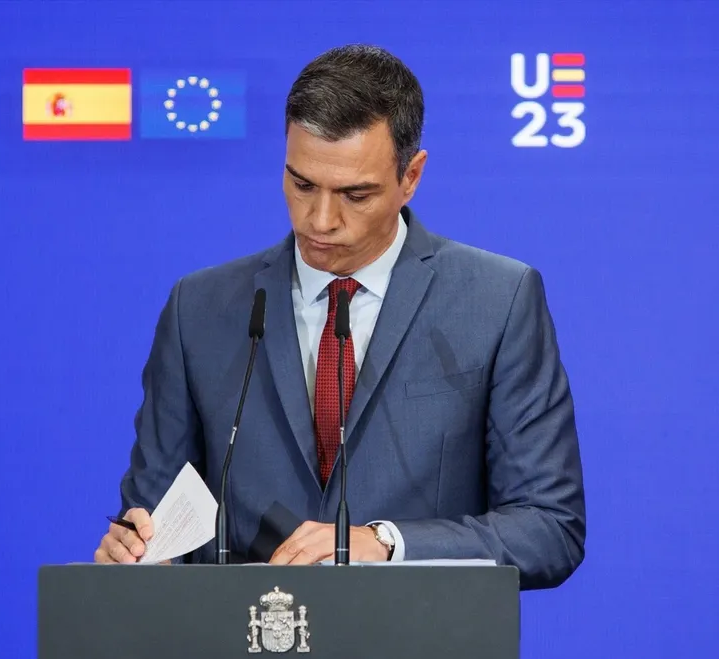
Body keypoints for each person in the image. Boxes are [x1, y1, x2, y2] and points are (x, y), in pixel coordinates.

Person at [94, 44, 586, 590]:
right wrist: (135, 549)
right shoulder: (200, 309)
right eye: (302, 184)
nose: (321, 219)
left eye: (355, 194)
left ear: (411, 176)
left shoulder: (497, 300)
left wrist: (387, 543)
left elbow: (549, 529)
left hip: (418, 632)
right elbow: (155, 515)